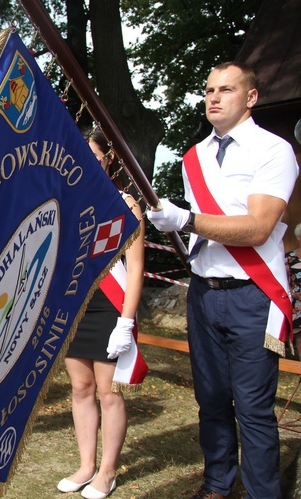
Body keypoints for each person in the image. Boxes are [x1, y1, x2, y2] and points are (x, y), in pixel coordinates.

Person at [147, 61, 299, 499]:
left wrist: (187, 218)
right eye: (210, 89)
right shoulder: (193, 156)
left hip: (253, 294)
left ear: (250, 97)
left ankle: (260, 493)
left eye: (226, 90)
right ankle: (217, 485)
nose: (214, 97)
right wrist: (172, 224)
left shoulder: (273, 150)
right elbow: (201, 233)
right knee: (211, 399)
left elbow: (257, 228)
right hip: (203, 292)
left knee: (252, 406)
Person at [57, 129, 145, 499]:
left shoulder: (125, 204)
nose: (88, 161)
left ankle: (107, 471)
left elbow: (136, 267)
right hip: (76, 307)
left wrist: (126, 321)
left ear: (108, 158)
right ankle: (86, 465)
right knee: (81, 388)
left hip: (110, 305)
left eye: (94, 155)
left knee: (108, 392)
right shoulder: (65, 198)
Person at [286, 223, 301, 351]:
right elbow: (283, 280)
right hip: (296, 304)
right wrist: (292, 294)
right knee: (300, 336)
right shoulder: (289, 258)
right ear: (298, 237)